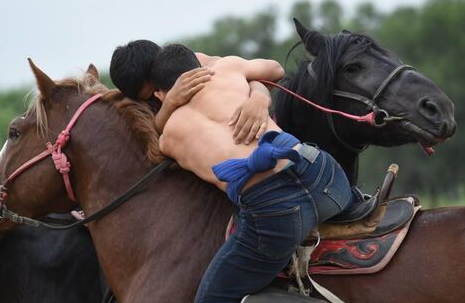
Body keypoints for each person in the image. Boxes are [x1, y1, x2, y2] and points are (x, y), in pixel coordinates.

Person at [149, 44, 354, 303]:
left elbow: (155, 138)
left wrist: (166, 109)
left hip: (277, 211)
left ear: (158, 95)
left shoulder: (168, 138)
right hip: (326, 176)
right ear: (200, 66)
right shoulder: (227, 68)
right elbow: (275, 69)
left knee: (212, 299)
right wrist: (259, 94)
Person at [110, 40, 270, 144]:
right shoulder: (139, 103)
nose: (157, 97)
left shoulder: (200, 64)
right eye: (150, 98)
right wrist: (170, 102)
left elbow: (252, 75)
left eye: (156, 91)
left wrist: (259, 98)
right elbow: (153, 136)